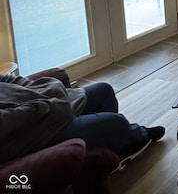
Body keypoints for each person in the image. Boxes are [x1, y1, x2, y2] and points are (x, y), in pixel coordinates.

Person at [0, 72, 165, 170]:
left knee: (104, 90)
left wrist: (40, 88)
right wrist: (47, 105)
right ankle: (134, 134)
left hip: (51, 105)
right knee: (117, 123)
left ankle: (112, 143)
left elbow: (8, 80)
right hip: (35, 132)